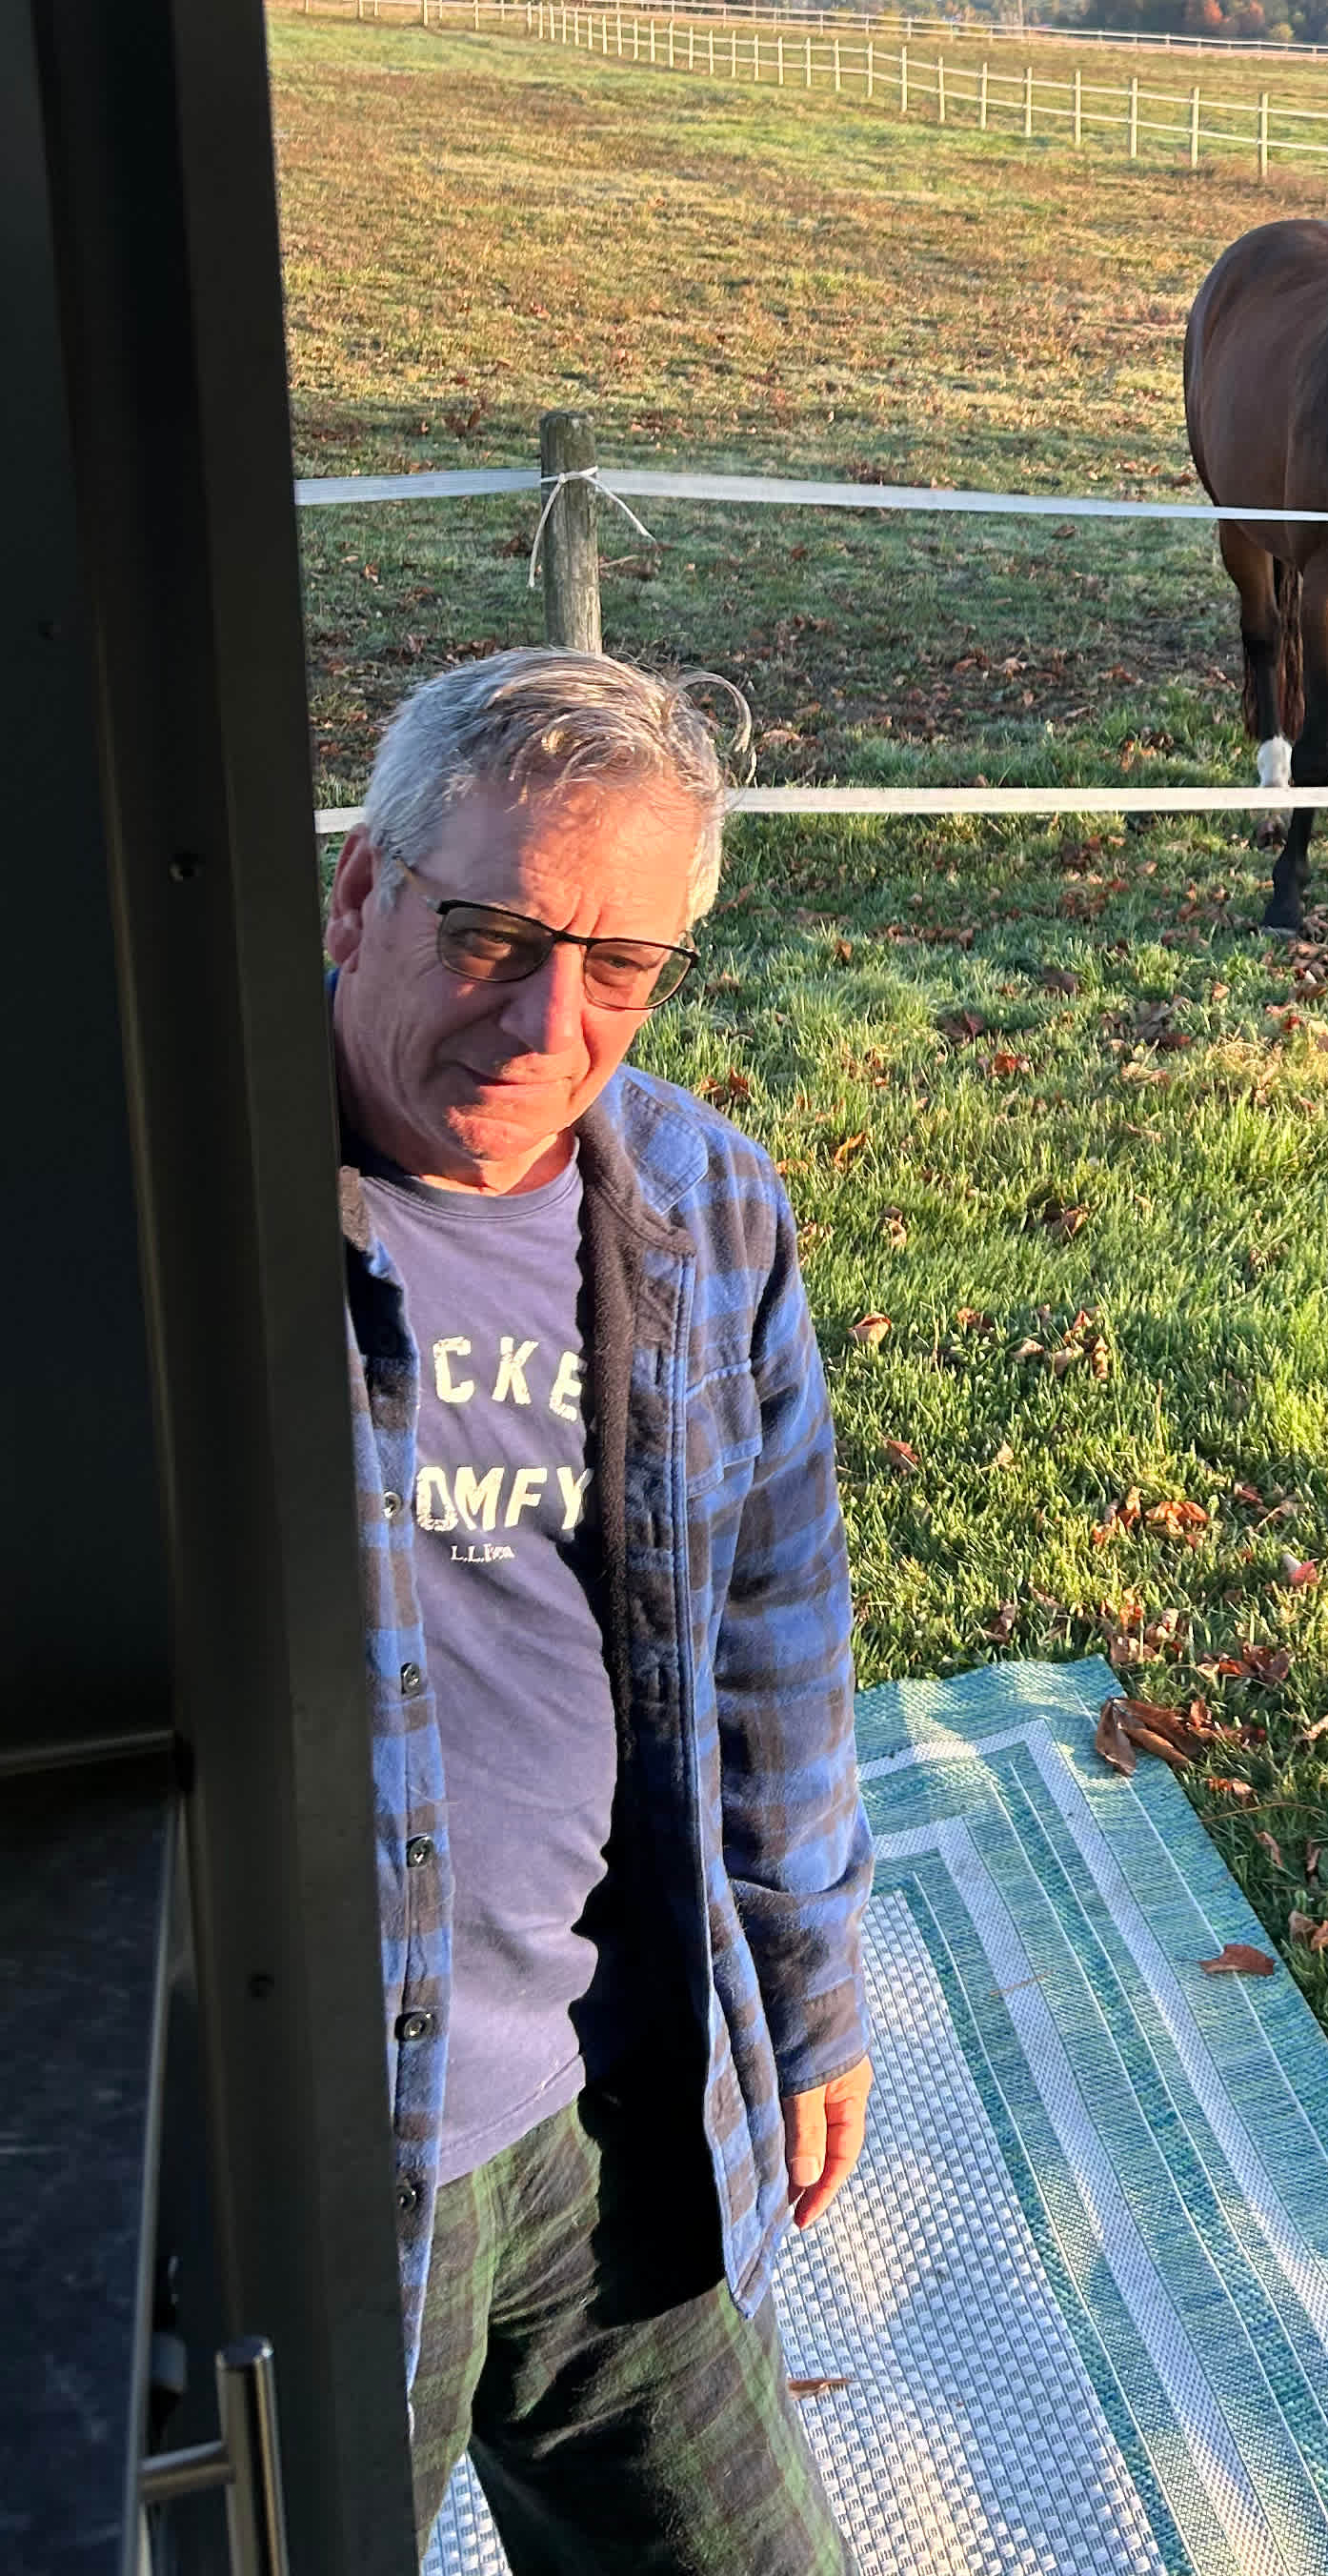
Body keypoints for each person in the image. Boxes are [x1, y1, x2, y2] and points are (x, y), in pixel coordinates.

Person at [330, 649, 872, 2571]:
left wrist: (808, 1992)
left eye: (620, 967)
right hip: (300, 2182)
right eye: (491, 933)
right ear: (359, 895)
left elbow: (776, 1633)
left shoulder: (703, 1206)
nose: (550, 1021)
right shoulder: (169, 1221)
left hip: (606, 2110)